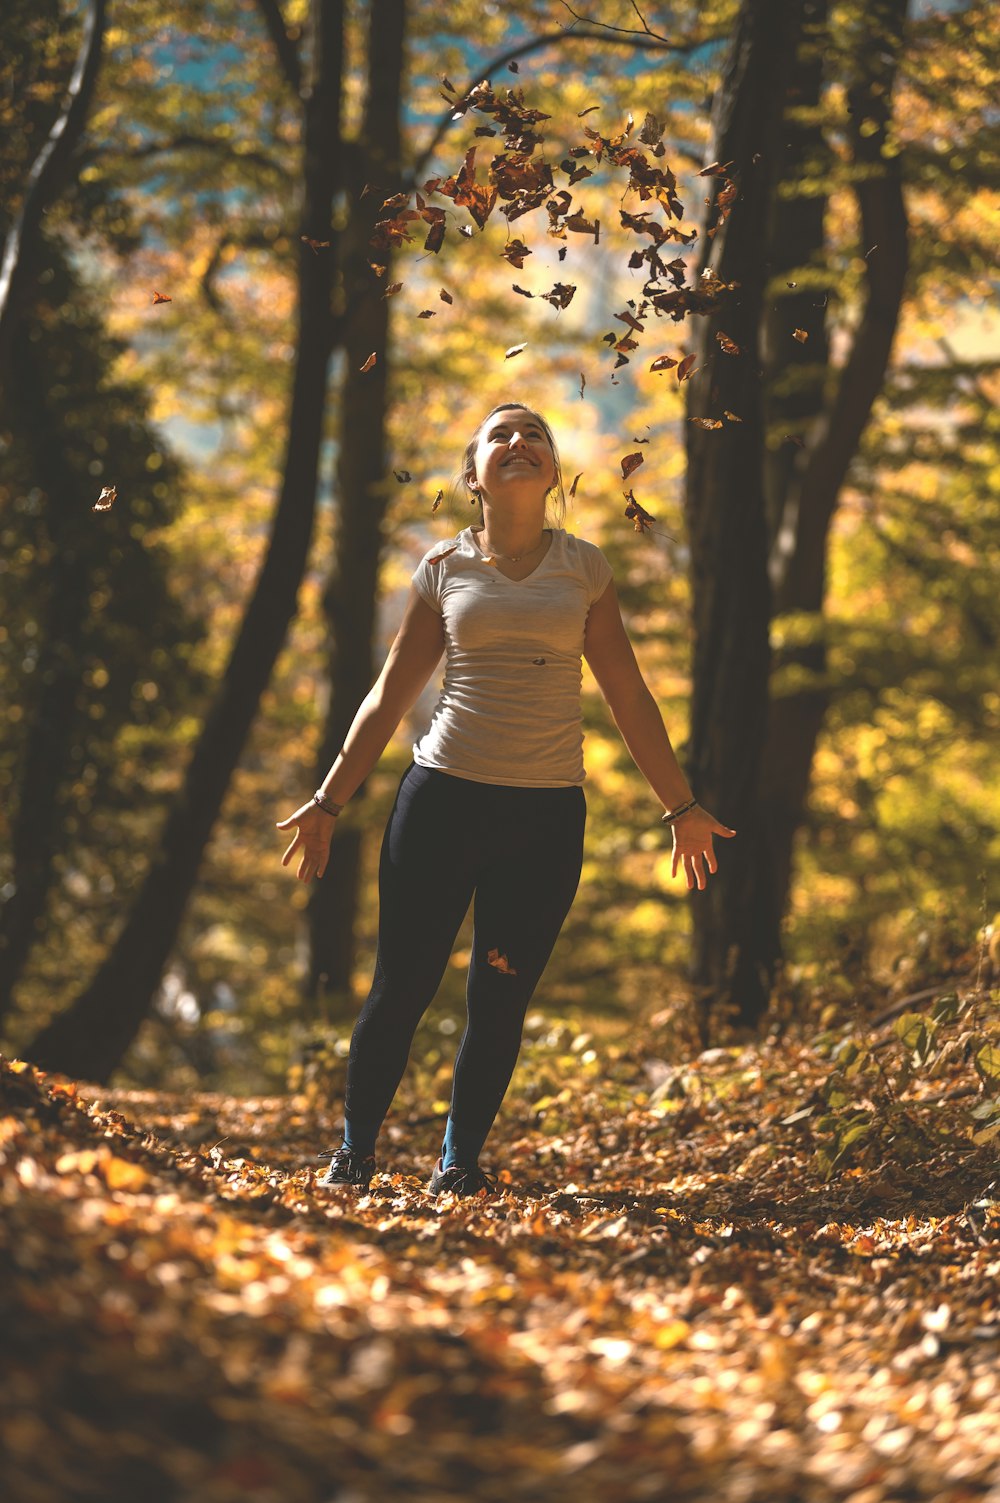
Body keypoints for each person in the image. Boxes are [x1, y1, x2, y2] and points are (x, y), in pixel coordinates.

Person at [277, 402, 735, 1198]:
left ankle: (458, 1162)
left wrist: (681, 806)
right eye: (501, 434)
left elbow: (628, 694)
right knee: (403, 988)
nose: (520, 443)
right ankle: (354, 1151)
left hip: (544, 819)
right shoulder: (444, 569)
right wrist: (327, 801)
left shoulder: (585, 569)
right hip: (441, 805)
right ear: (474, 474)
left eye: (536, 436)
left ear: (553, 473)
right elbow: (389, 696)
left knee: (500, 995)